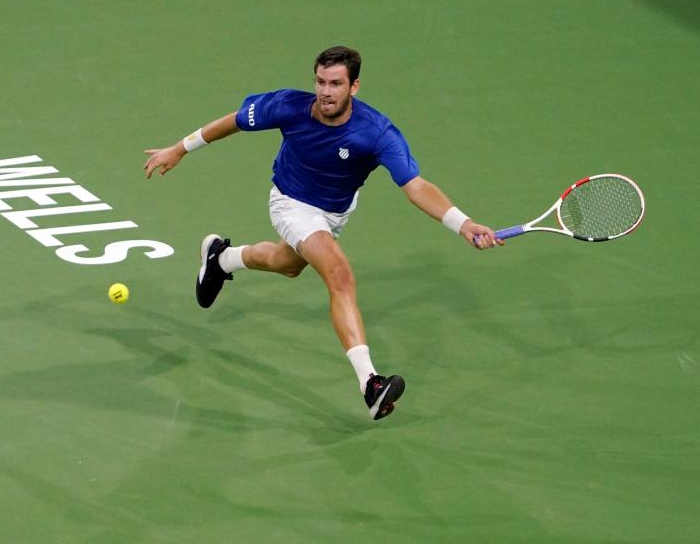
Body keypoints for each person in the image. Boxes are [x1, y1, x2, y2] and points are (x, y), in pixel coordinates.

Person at [143, 46, 501, 421]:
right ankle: (371, 384)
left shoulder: (376, 132)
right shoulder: (288, 107)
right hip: (291, 202)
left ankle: (222, 258)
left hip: (334, 212)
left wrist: (463, 223)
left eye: (335, 84)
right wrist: (179, 149)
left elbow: (414, 186)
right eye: (320, 81)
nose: (325, 91)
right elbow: (233, 121)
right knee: (339, 274)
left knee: (287, 264)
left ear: (354, 87)